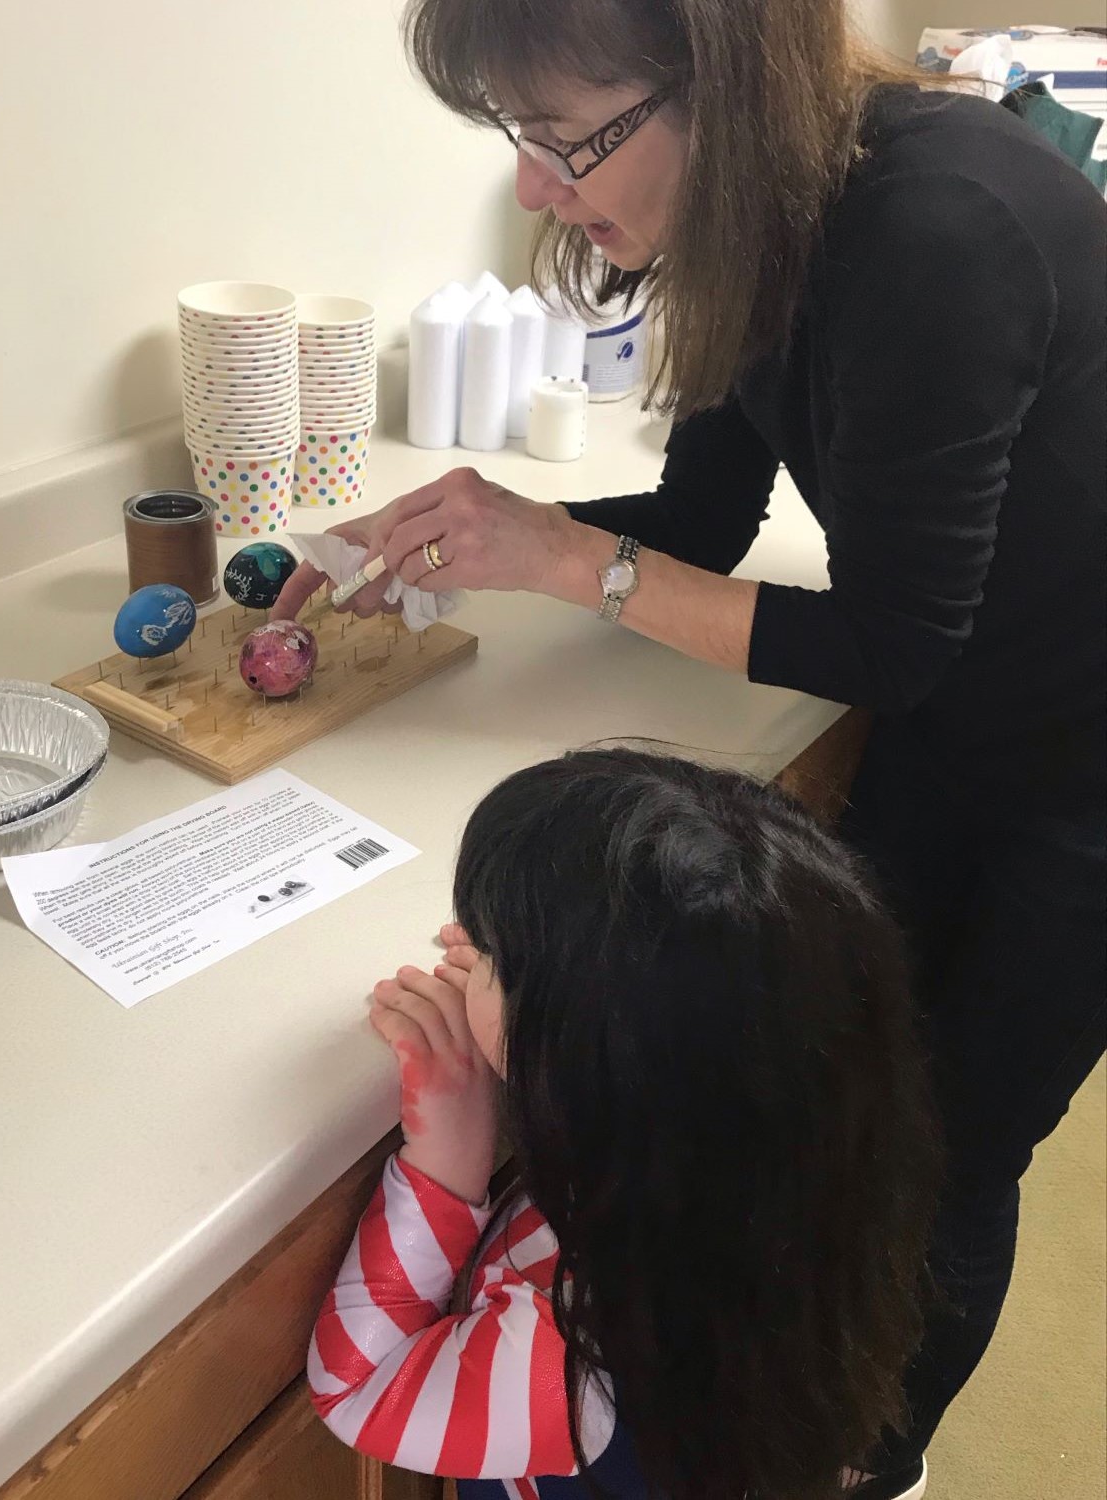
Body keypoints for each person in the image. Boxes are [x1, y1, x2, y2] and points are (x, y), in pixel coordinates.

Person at [278, 3, 1107, 1491]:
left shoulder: (939, 227)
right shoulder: (760, 233)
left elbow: (893, 642)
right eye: (514, 141)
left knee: (955, 1148)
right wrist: (490, 539)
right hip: (953, 707)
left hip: (1084, 754)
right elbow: (705, 528)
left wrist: (566, 565)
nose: (535, 187)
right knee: (834, 1107)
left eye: (558, 139)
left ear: (717, 92)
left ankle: (868, 1465)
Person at [309, 749, 940, 1500]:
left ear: (589, 1058)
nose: (462, 947)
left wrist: (446, 1158)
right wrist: (530, 978)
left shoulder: (580, 1352)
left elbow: (358, 1390)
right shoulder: (795, 1165)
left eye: (491, 956)